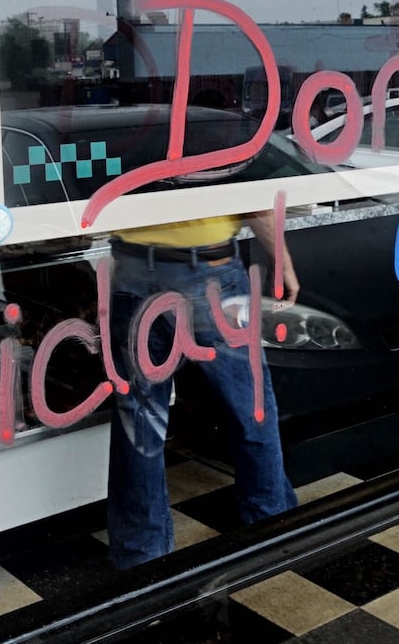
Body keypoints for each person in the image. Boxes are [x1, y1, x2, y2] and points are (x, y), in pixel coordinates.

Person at [105, 209, 299, 569]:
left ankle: (140, 552)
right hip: (208, 268)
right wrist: (282, 260)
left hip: (132, 269)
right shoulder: (213, 146)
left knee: (140, 424)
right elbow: (252, 195)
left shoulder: (117, 147)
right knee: (251, 407)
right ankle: (272, 526)